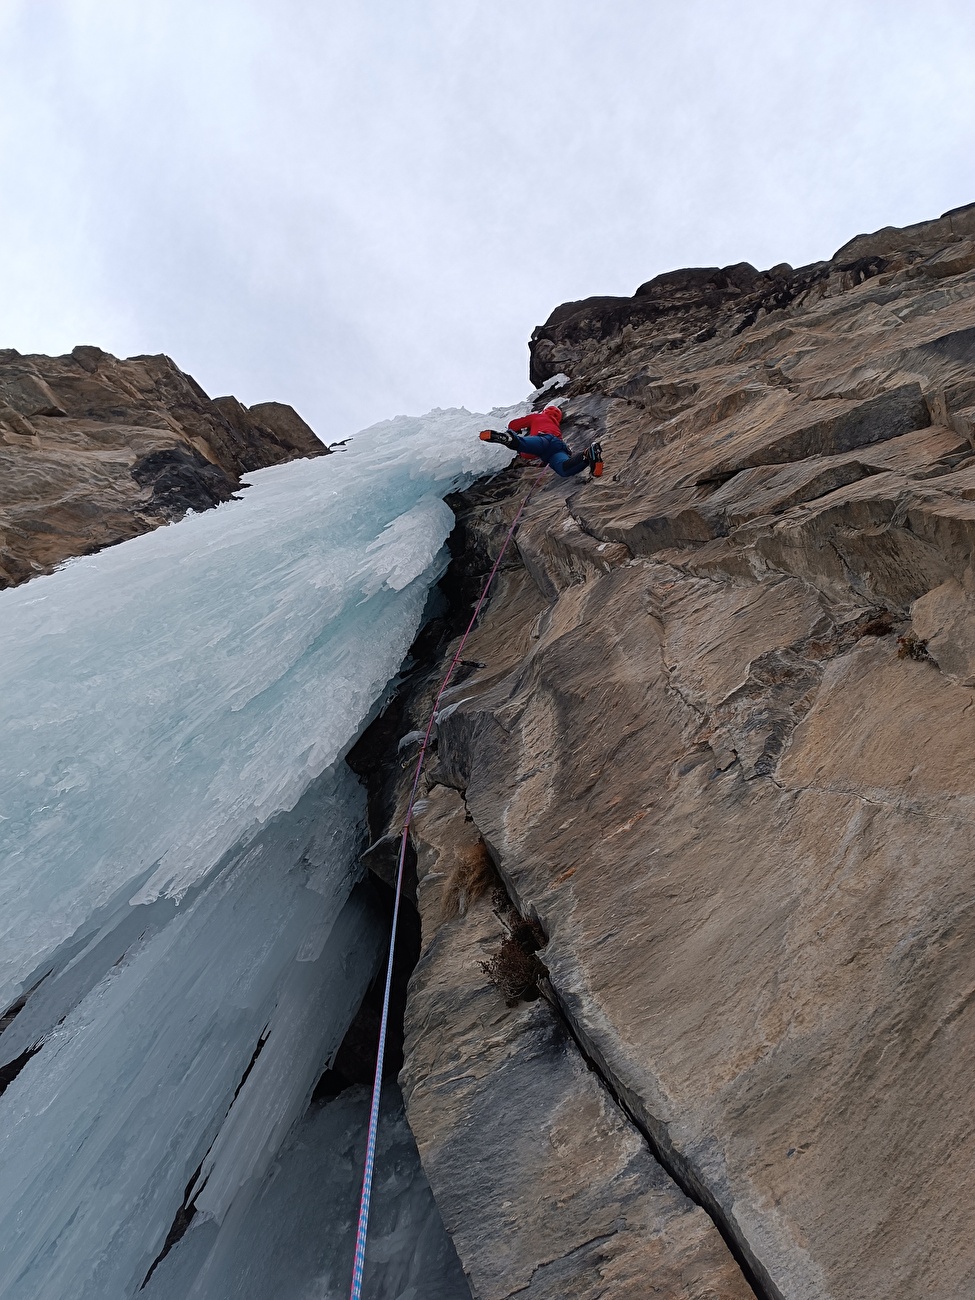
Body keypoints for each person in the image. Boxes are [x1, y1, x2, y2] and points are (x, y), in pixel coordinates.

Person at [479, 405, 603, 478]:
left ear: (545, 412)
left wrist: (519, 429)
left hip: (543, 439)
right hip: (558, 448)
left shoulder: (538, 417)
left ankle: (508, 439)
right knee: (564, 470)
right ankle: (588, 454)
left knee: (523, 444)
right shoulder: (556, 427)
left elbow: (513, 424)